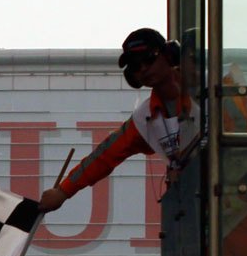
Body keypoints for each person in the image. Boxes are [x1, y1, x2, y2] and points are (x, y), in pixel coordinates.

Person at [37, 28, 198, 214]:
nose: (144, 68)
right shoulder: (144, 118)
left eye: (149, 58)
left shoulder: (211, 90)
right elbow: (103, 156)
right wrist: (62, 192)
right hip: (192, 206)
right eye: (136, 66)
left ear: (169, 55)